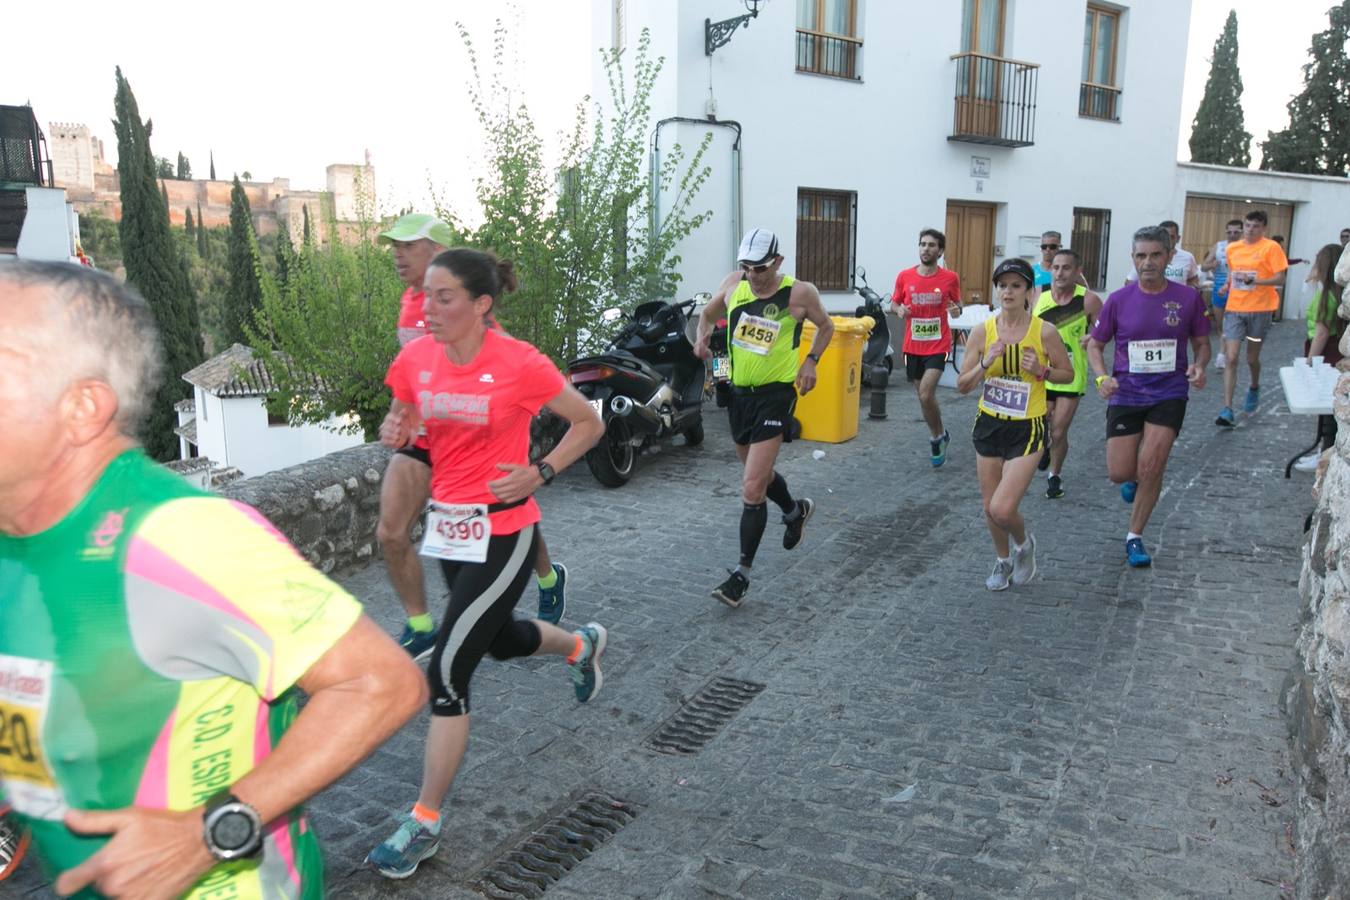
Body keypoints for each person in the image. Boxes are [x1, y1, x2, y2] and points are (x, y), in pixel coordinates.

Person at [0, 260, 426, 899]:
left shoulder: (181, 535)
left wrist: (208, 833)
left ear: (82, 406)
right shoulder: (17, 534)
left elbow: (381, 682)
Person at [367, 247, 607, 880]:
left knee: (447, 672)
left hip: (505, 530)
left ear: (481, 305)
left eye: (445, 297)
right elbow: (411, 416)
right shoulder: (416, 357)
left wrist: (540, 471)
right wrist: (399, 426)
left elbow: (587, 422)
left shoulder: (518, 362)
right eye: (427, 296)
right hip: (451, 530)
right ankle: (580, 646)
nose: (428, 307)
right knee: (497, 641)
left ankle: (423, 821)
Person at [376, 215, 570, 663]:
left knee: (507, 504)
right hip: (428, 431)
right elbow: (408, 381)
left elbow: (500, 371)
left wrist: (537, 470)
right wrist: (398, 421)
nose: (397, 254)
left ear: (435, 249)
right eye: (394, 247)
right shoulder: (413, 303)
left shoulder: (473, 310)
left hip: (474, 428)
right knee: (390, 531)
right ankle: (421, 626)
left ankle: (545, 575)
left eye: (407, 245)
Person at [694, 229, 834, 608]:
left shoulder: (799, 293)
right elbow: (707, 316)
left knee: (752, 487)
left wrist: (811, 361)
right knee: (761, 475)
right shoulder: (732, 286)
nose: (753, 275)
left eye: (760, 267)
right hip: (740, 396)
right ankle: (794, 510)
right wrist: (702, 340)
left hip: (776, 395)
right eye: (747, 267)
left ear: (777, 262)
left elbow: (827, 326)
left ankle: (741, 575)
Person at [1087, 226, 1211, 567]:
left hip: (1169, 392)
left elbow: (1202, 344)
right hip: (1126, 393)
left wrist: (1199, 366)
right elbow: (1096, 346)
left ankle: (1134, 536)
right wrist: (1101, 376)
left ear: (1169, 257)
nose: (1148, 262)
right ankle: (1134, 479)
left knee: (1153, 464)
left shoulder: (1187, 299)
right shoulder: (1118, 300)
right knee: (1119, 472)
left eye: (1155, 255)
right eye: (1141, 255)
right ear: (1133, 259)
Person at [956, 258, 1073, 591]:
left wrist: (1043, 370)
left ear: (1029, 292)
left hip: (1028, 427)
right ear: (996, 290)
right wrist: (984, 362)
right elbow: (963, 385)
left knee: (1003, 508)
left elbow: (1069, 374)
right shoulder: (983, 331)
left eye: (1016, 285)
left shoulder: (1044, 331)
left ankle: (1024, 544)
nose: (1008, 291)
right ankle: (1003, 560)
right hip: (989, 423)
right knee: (988, 506)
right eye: (1003, 285)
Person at [1033, 248, 1103, 498]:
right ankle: (1046, 448)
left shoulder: (1089, 300)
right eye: (1056, 267)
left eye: (1066, 268)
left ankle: (1055, 476)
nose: (1060, 273)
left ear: (1077, 271)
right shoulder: (1039, 299)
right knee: (1040, 426)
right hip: (1042, 372)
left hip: (1071, 375)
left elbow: (1106, 329)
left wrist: (1093, 336)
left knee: (1059, 430)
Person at [892, 228, 963, 466]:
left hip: (938, 344)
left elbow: (957, 305)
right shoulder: (905, 276)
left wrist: (955, 310)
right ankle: (940, 434)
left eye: (932, 245)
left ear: (940, 251)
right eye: (923, 244)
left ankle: (935, 439)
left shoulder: (949, 278)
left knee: (926, 392)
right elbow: (894, 302)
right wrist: (899, 310)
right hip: (912, 346)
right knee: (923, 398)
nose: (926, 248)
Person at [1215, 209, 1288, 427]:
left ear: (1263, 228)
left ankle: (1254, 387)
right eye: (1247, 225)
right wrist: (1227, 285)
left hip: (1260, 311)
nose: (1250, 230)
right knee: (1231, 357)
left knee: (1251, 358)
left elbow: (1280, 278)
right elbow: (1233, 272)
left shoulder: (1271, 247)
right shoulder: (1233, 248)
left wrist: (1255, 282)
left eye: (1255, 226)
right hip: (1235, 309)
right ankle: (1227, 409)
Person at [1201, 219, 1242, 371]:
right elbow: (1204, 266)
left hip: (1236, 290)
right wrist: (1212, 265)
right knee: (1220, 326)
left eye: (1236, 232)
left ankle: (1223, 354)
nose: (1232, 235)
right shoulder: (1219, 246)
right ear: (1225, 232)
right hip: (1218, 289)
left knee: (1231, 324)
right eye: (1229, 232)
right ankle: (1224, 353)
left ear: (1241, 233)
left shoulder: (1245, 247)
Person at [1126, 221, 1201, 289]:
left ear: (1178, 238)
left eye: (1171, 237)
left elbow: (1193, 280)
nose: (1167, 240)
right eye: (1163, 237)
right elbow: (1129, 282)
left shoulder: (1187, 257)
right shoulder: (1145, 260)